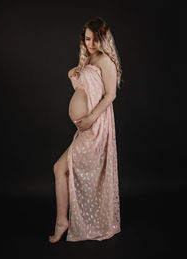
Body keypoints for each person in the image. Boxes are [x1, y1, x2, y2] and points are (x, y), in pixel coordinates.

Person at [49, 16, 123, 243]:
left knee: (60, 168)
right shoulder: (89, 59)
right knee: (61, 169)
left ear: (103, 39)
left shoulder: (106, 61)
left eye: (95, 39)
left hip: (96, 127)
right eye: (88, 39)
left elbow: (110, 95)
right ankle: (63, 220)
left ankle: (63, 221)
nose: (91, 43)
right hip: (86, 128)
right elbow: (86, 90)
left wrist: (90, 117)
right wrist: (74, 76)